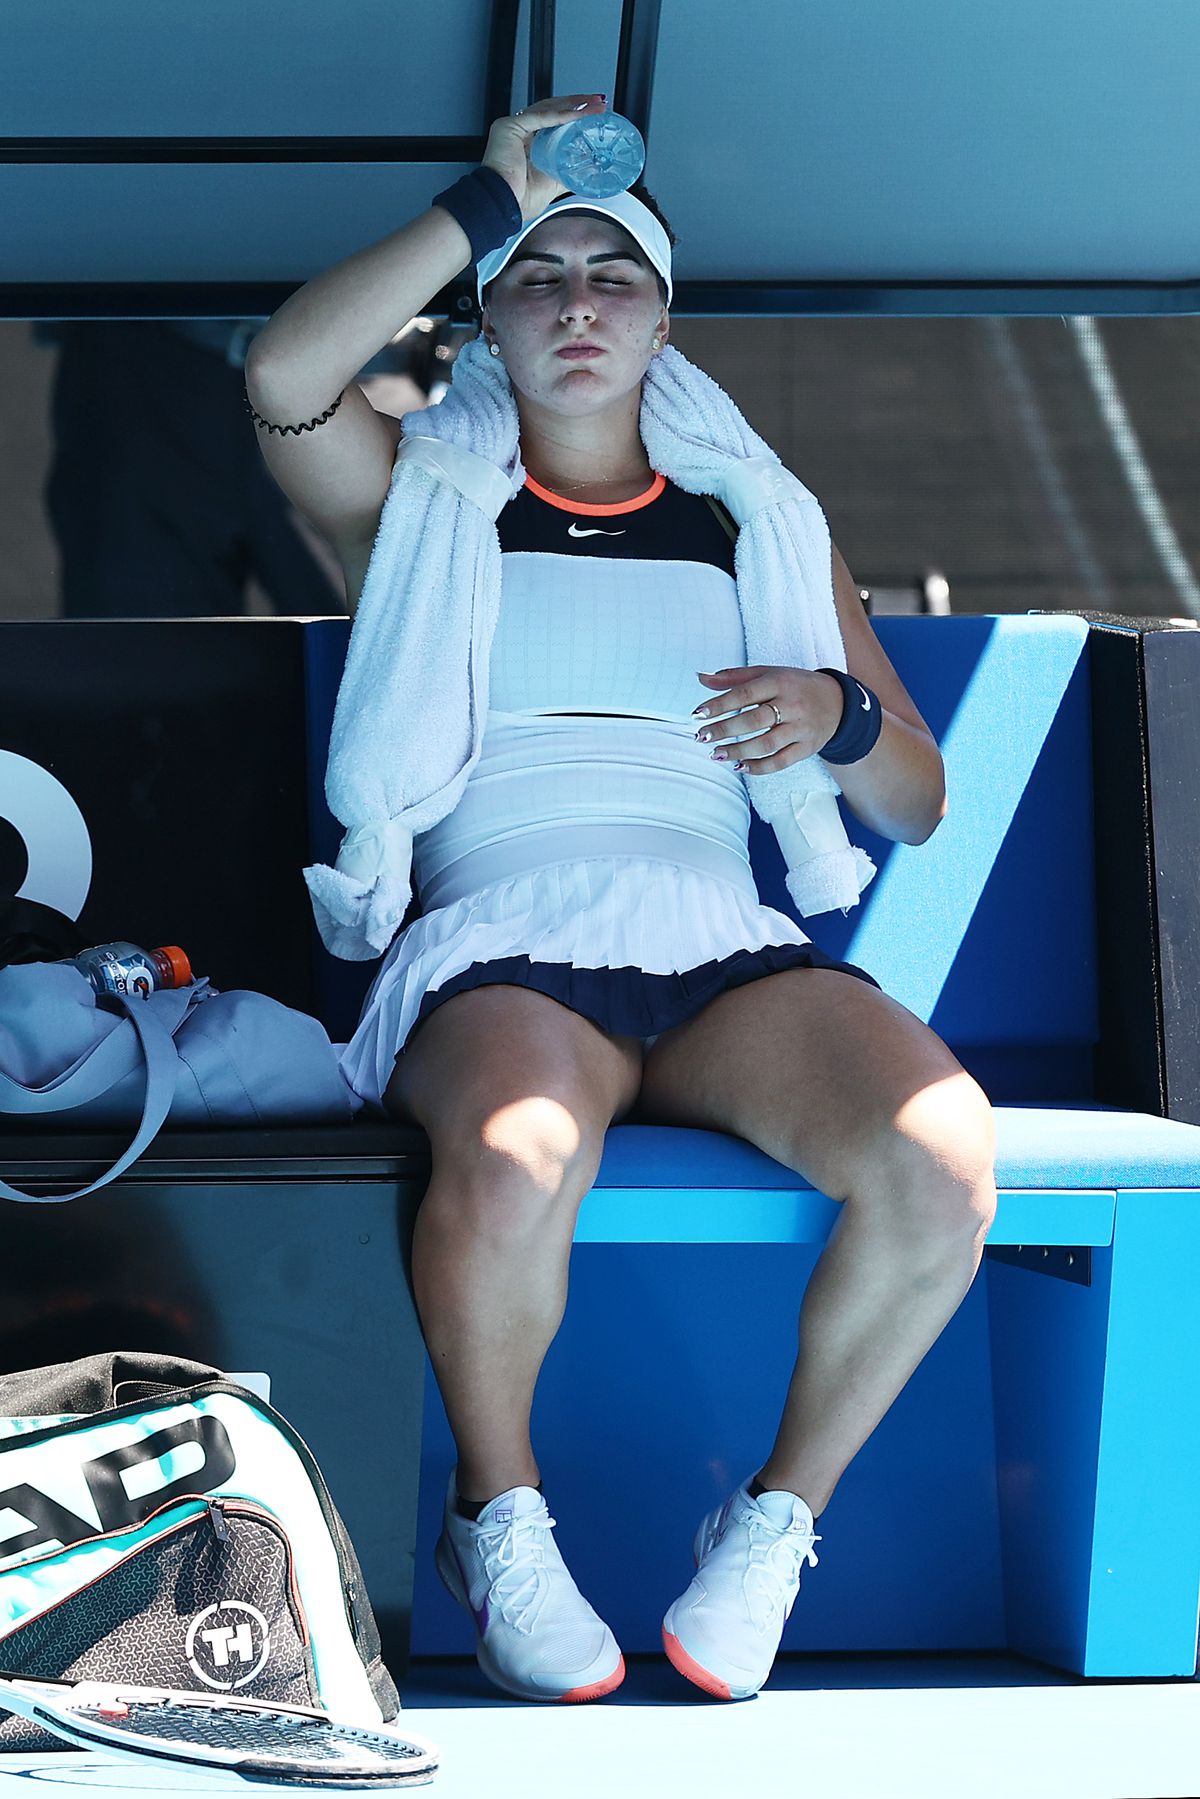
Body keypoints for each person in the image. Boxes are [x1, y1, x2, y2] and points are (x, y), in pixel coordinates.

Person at [245, 93, 997, 1705]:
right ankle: (494, 1519)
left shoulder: (757, 516)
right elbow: (283, 377)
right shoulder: (420, 496)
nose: (579, 305)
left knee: (942, 1164)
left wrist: (839, 715)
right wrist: (484, 199)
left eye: (616, 277)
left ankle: (777, 1520)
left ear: (664, 316)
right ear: (490, 317)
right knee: (516, 1156)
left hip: (722, 949)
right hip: (498, 944)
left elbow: (919, 797)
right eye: (538, 278)